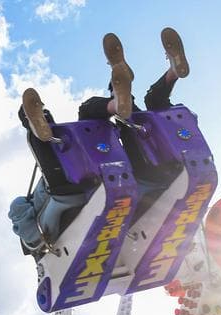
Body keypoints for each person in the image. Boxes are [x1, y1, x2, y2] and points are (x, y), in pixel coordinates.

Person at [11, 28, 190, 252]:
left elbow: (33, 237)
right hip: (152, 165)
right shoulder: (30, 216)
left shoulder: (34, 231)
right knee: (128, 116)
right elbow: (31, 231)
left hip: (126, 177)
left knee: (125, 122)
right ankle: (129, 95)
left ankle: (118, 101)